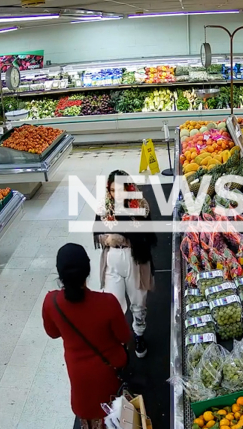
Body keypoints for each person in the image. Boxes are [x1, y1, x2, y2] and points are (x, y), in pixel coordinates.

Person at [42, 243, 130, 429]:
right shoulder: (108, 303)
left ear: (60, 273)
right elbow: (124, 336)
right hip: (110, 371)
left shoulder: (51, 302)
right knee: (116, 414)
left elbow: (53, 333)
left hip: (79, 375)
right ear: (88, 269)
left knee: (88, 413)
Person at [94, 170, 156, 358]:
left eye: (121, 190)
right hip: (112, 259)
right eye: (113, 190)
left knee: (138, 301)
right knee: (114, 303)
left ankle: (138, 334)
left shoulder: (140, 206)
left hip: (135, 259)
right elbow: (97, 232)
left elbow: (148, 234)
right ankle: (120, 339)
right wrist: (107, 239)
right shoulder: (105, 208)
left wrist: (125, 236)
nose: (116, 195)